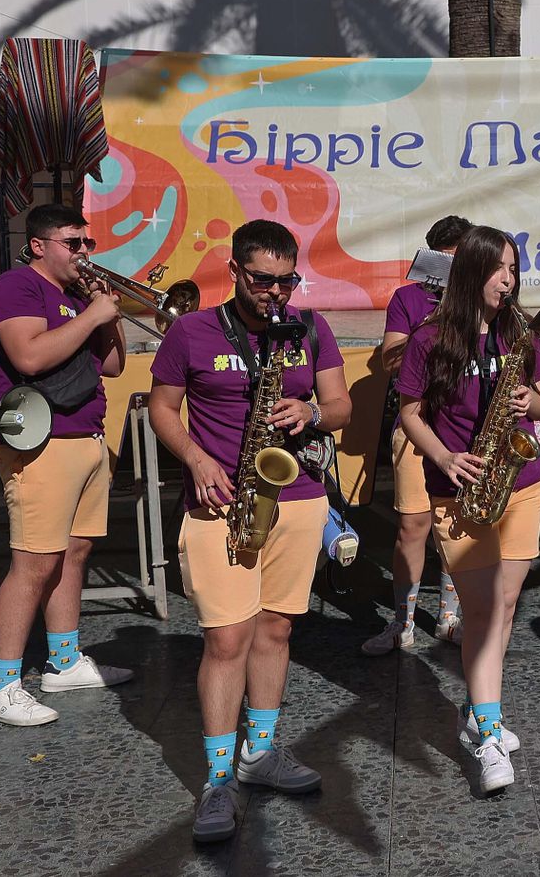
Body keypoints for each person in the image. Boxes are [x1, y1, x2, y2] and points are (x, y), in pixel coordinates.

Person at [148, 220, 352, 844]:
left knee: (276, 628)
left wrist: (313, 411)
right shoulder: (192, 331)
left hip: (298, 498)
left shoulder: (310, 328)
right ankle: (217, 781)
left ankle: (260, 754)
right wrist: (198, 460)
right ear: (234, 270)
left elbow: (341, 407)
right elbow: (161, 407)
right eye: (263, 279)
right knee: (226, 640)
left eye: (286, 279)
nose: (275, 292)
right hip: (220, 500)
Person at [397, 226, 540, 794]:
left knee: (505, 608)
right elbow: (410, 411)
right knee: (484, 612)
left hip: (523, 484)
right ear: (470, 273)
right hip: (460, 488)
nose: (509, 280)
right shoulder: (430, 338)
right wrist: (444, 456)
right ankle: (487, 734)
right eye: (499, 269)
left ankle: (480, 709)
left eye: (514, 268)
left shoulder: (519, 333)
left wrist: (529, 401)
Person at [0, 203, 133, 726]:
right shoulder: (17, 287)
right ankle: (0, 685)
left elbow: (111, 365)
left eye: (86, 243)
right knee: (34, 563)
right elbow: (29, 358)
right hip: (40, 441)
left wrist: (106, 314)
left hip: (86, 436)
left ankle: (63, 661)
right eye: (73, 242)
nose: (84, 252)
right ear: (40, 245)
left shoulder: (75, 296)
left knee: (75, 552)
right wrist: (93, 315)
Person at [363, 214, 474, 655]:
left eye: (461, 259)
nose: (454, 268)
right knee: (413, 525)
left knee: (457, 524)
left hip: (465, 425)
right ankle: (402, 621)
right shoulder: (408, 299)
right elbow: (391, 360)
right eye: (444, 259)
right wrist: (434, 320)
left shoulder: (483, 301)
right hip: (416, 424)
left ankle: (449, 617)